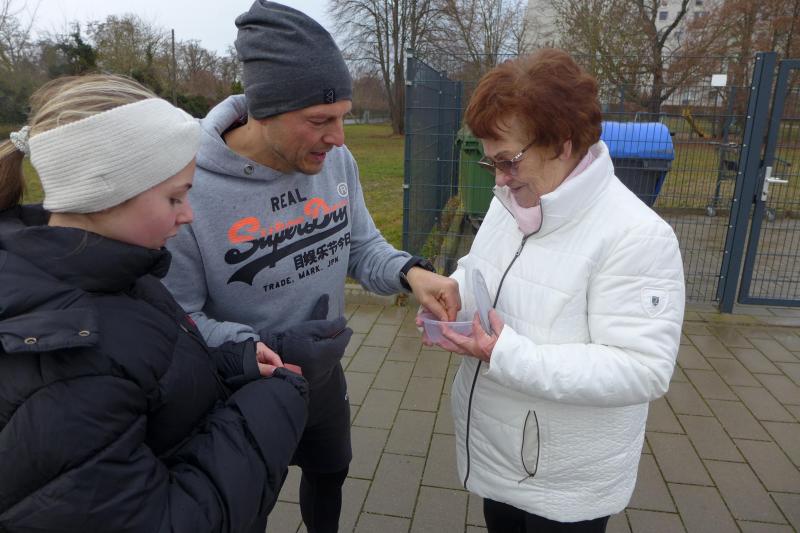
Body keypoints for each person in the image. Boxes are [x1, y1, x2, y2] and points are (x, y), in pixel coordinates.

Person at [161, 2, 460, 531]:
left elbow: (360, 246)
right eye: (320, 121)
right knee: (246, 508)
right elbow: (178, 318)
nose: (339, 137)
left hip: (322, 374)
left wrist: (412, 273)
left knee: (330, 473)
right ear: (264, 111)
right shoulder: (189, 188)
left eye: (342, 116)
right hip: (241, 389)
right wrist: (263, 346)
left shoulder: (334, 162)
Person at [0, 74, 310, 532]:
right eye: (175, 196)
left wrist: (232, 366)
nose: (188, 214)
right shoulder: (67, 360)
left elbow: (150, 369)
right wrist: (273, 406)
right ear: (104, 192)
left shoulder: (115, 273)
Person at [427, 49, 686, 532]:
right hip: (500, 456)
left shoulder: (637, 236)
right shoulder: (511, 200)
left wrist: (505, 354)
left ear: (563, 144)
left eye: (508, 161)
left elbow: (643, 369)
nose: (499, 178)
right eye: (491, 162)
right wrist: (454, 291)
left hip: (565, 482)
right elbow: (479, 267)